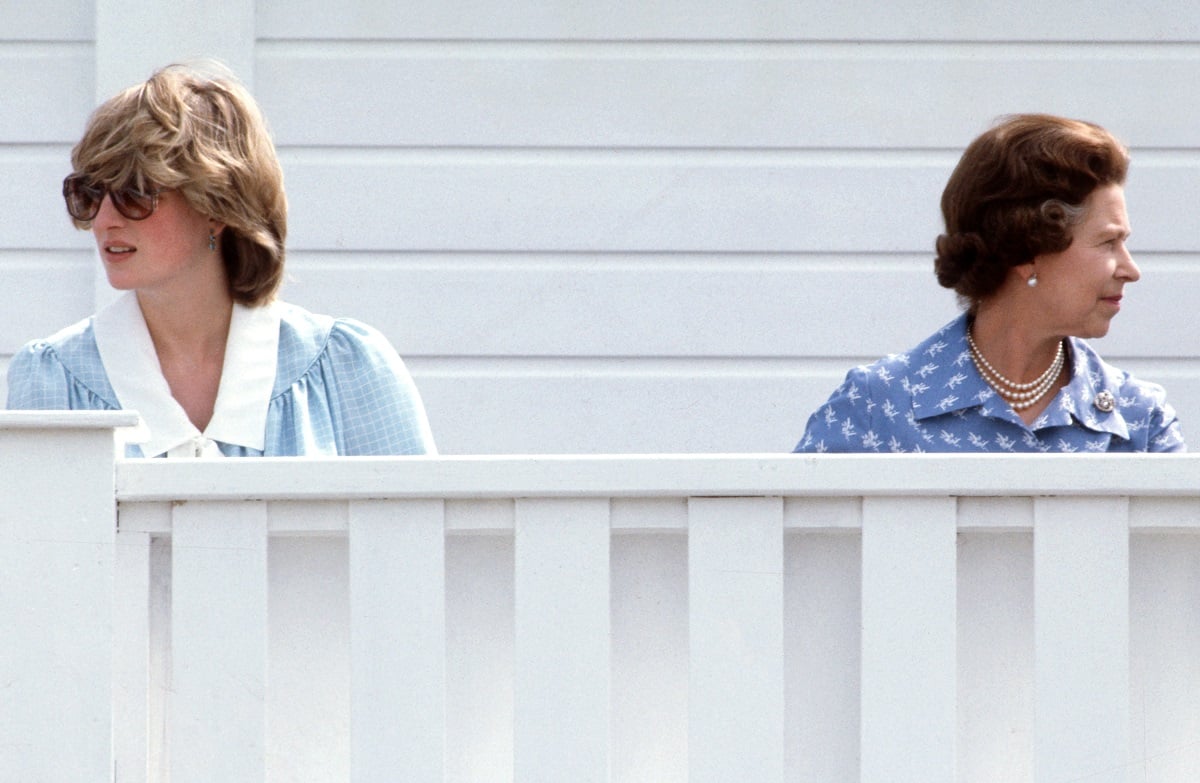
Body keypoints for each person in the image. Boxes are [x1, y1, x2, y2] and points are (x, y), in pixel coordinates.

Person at [6, 63, 436, 457]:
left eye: (134, 193)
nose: (104, 219)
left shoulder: (347, 367)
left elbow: (413, 535)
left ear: (216, 205)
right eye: (90, 194)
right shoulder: (51, 378)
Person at [793, 114, 1183, 453]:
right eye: (1108, 242)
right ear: (1028, 249)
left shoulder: (1139, 420)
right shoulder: (879, 406)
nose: (1131, 270)